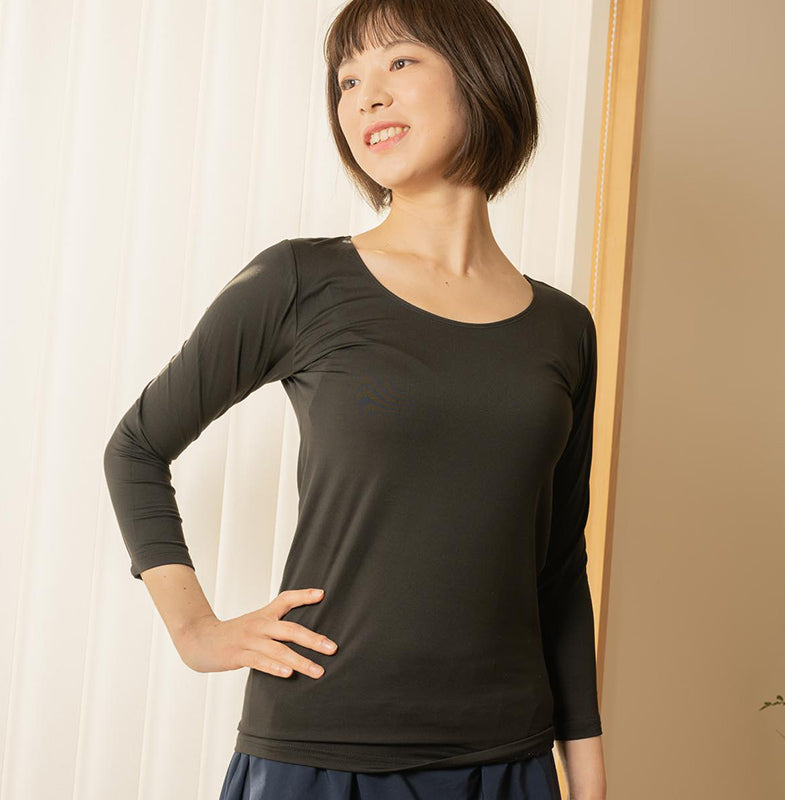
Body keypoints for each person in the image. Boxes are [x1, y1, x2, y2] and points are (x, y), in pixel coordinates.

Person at [103, 0, 607, 798]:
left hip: (508, 756)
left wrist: (587, 767)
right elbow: (135, 447)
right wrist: (196, 630)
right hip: (319, 748)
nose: (366, 96)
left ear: (481, 75)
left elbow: (558, 565)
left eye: (399, 62)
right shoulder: (299, 281)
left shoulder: (563, 328)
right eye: (346, 80)